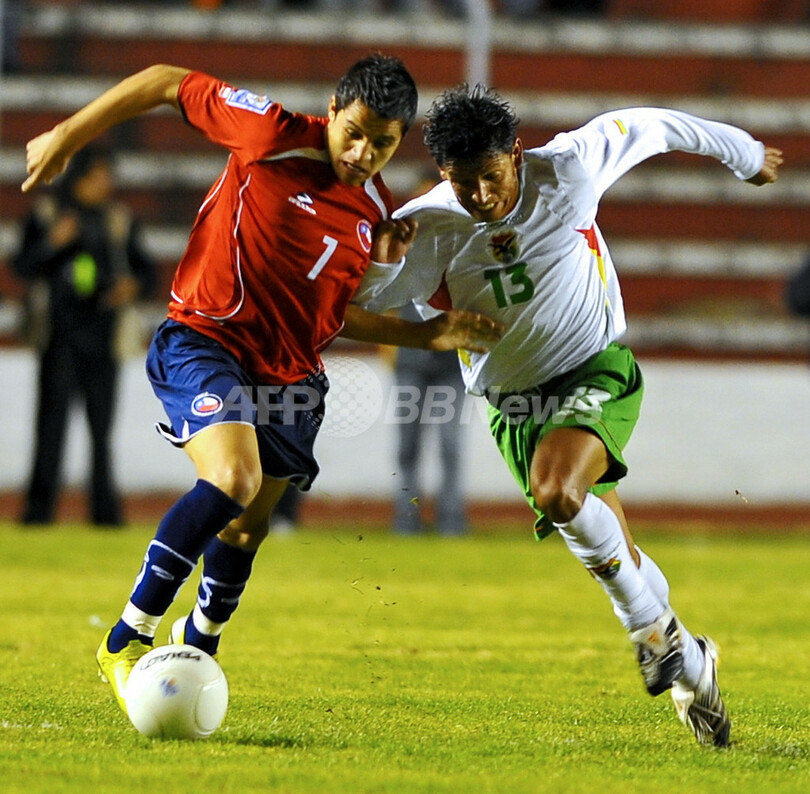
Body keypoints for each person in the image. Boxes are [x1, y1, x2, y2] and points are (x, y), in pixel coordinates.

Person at [21, 56, 501, 716]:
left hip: (292, 374)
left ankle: (200, 652)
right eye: (355, 132)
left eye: (383, 143)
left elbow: (332, 313)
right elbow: (165, 80)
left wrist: (430, 332)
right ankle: (126, 638)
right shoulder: (268, 132)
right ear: (333, 111)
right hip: (206, 340)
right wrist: (66, 136)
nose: (363, 153)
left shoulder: (371, 211)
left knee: (246, 530)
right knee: (233, 479)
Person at [352, 84, 783, 747]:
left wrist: (746, 153)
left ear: (516, 154)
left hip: (593, 367)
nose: (482, 197)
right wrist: (380, 269)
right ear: (444, 173)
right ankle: (691, 661)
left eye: (491, 178)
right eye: (464, 185)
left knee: (559, 492)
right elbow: (362, 307)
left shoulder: (571, 166)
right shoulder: (429, 224)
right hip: (514, 407)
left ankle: (650, 637)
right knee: (620, 551)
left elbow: (657, 120)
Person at [13, 146, 156, 526]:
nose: (106, 183)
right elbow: (22, 265)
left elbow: (147, 273)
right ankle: (38, 513)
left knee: (101, 433)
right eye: (99, 174)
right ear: (80, 178)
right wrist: (53, 243)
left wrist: (132, 287)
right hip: (59, 337)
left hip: (102, 337)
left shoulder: (118, 221)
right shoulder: (48, 215)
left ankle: (105, 515)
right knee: (50, 430)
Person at [392, 302, 469, 535]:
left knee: (450, 445)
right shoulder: (407, 265)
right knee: (408, 447)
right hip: (411, 363)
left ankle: (450, 519)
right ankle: (408, 519)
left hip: (450, 365)